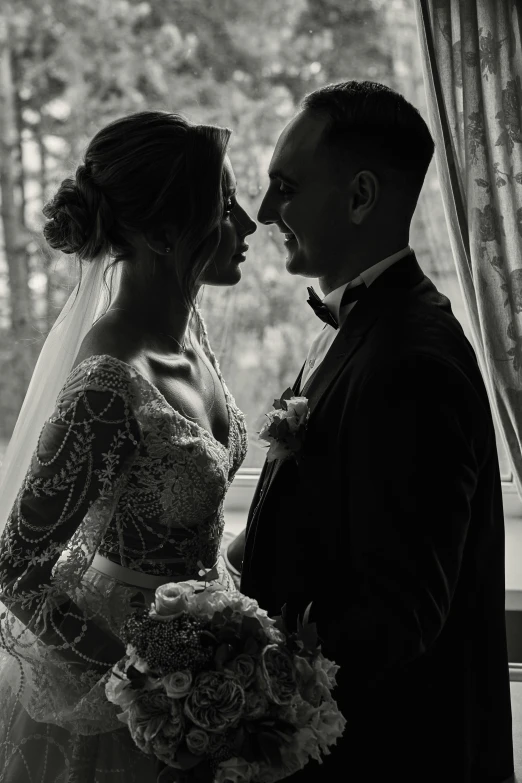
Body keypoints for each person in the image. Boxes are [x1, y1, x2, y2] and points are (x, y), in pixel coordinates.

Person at [234, 81, 515, 782]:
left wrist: (247, 666)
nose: (265, 212)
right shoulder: (365, 325)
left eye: (286, 187)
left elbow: (398, 616)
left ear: (361, 196)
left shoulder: (411, 357)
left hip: (389, 754)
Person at [0, 111, 256, 782]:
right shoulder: (108, 380)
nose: (250, 225)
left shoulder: (188, 332)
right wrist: (145, 669)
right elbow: (15, 562)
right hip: (125, 707)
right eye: (227, 207)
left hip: (211, 669)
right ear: (164, 230)